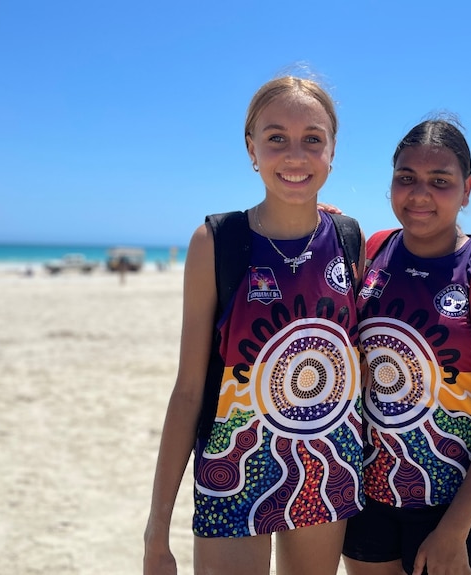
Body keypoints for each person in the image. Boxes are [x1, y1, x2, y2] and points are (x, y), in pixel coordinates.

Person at [143, 75, 365, 575]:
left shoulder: (350, 238)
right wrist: (157, 530)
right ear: (251, 149)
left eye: (313, 138)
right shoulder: (216, 242)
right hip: (231, 467)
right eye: (275, 138)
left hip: (326, 466)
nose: (295, 155)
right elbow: (187, 391)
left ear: (332, 150)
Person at [342, 117, 471, 575]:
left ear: (467, 190)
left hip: (453, 507)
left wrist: (453, 531)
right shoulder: (373, 249)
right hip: (366, 497)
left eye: (440, 181)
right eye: (405, 178)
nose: (420, 193)